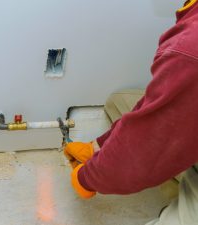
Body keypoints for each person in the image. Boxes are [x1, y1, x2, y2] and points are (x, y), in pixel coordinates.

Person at [64, 1, 198, 224]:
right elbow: (159, 106)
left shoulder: (190, 48)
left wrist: (87, 178)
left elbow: (144, 150)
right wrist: (97, 146)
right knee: (119, 103)